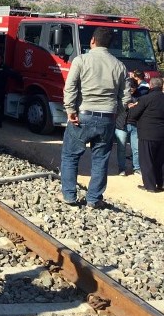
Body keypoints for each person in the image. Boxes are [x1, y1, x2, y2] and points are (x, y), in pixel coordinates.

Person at [60, 27, 129, 208]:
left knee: (70, 156)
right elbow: (126, 97)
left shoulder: (81, 60)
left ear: (92, 40)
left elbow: (70, 88)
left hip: (82, 116)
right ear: (110, 44)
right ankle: (94, 199)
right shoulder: (120, 66)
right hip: (107, 118)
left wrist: (70, 110)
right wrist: (115, 113)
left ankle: (69, 196)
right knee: (100, 159)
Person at [127, 76, 164, 193]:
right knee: (161, 161)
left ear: (151, 86)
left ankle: (150, 186)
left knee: (147, 160)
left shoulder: (145, 99)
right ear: (162, 86)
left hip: (147, 134)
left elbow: (133, 115)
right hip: (162, 134)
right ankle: (161, 183)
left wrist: (131, 108)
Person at [113, 78, 139, 175]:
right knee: (121, 148)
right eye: (131, 87)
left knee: (136, 148)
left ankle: (136, 168)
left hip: (134, 125)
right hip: (121, 125)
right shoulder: (120, 96)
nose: (132, 89)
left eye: (134, 87)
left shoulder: (139, 96)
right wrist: (126, 106)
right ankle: (122, 168)